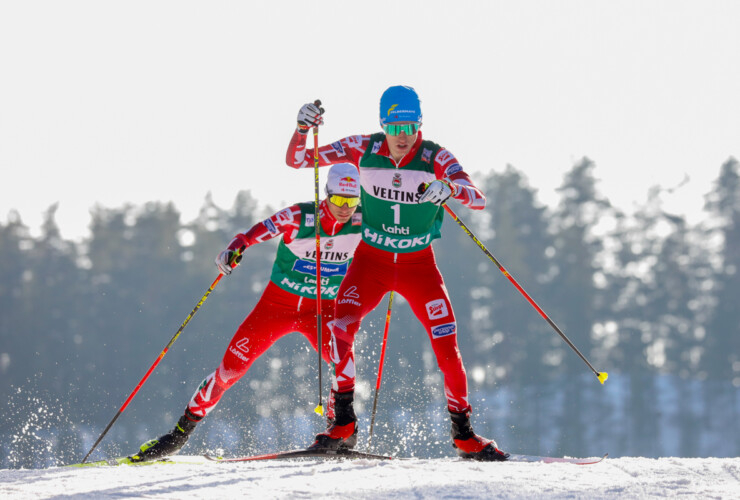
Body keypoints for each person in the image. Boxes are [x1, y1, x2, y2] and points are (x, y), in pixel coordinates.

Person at [285, 86, 509, 461]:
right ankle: (343, 423)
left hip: (418, 267)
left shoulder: (434, 155)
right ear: (383, 124)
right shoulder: (363, 148)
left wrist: (449, 187)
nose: (402, 135)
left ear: (419, 124)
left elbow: (478, 197)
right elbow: (298, 160)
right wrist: (302, 128)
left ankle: (464, 435)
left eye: (409, 125)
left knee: (447, 347)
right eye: (394, 126)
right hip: (369, 263)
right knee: (339, 329)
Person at [128, 163, 363, 462]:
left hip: (323, 311)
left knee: (343, 356)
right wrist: (237, 246)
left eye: (351, 201)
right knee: (228, 372)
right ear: (326, 194)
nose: (345, 208)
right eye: (339, 200)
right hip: (277, 308)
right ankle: (178, 435)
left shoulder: (363, 222)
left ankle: (339, 426)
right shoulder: (300, 216)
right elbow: (261, 229)